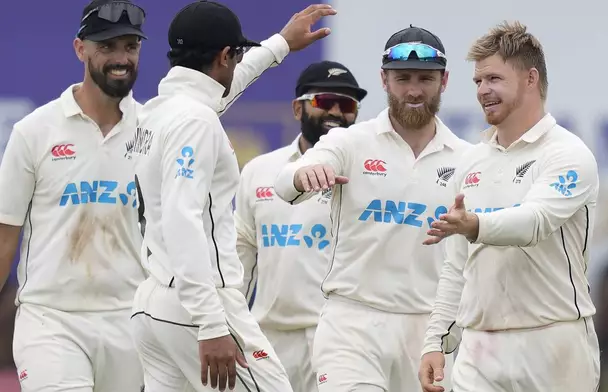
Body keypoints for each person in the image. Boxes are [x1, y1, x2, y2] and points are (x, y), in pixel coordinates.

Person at [128, 1, 337, 391]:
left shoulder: (159, 110)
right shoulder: (195, 120)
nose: (238, 64)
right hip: (198, 307)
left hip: (153, 304)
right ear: (225, 56)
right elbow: (182, 219)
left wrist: (280, 45)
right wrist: (210, 324)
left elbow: (219, 93)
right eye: (237, 55)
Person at [273, 26, 470, 392]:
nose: (413, 90)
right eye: (402, 78)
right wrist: (305, 174)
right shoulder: (349, 141)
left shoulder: (467, 159)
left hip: (428, 332)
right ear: (383, 79)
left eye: (425, 78)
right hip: (352, 322)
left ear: (444, 81)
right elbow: (285, 182)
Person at [418, 21, 601, 392]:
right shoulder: (471, 163)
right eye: (478, 82)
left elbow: (534, 223)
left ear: (531, 78)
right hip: (479, 349)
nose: (483, 90)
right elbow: (456, 267)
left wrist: (475, 226)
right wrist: (435, 341)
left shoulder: (568, 154)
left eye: (494, 79)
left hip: (554, 344)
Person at [0, 0, 148, 391]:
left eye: (130, 47)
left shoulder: (155, 131)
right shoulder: (34, 131)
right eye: (107, 47)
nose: (121, 59)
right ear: (80, 49)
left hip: (131, 321)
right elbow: (3, 237)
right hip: (51, 320)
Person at [234, 60, 367, 392]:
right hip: (270, 337)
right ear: (298, 108)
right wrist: (231, 327)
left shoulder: (369, 172)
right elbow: (241, 261)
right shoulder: (259, 170)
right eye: (324, 102)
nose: (336, 111)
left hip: (341, 337)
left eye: (347, 104)